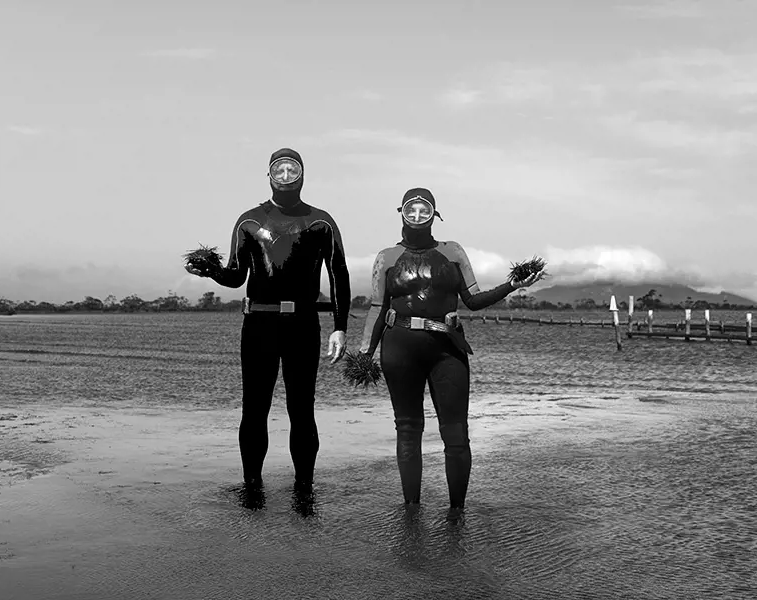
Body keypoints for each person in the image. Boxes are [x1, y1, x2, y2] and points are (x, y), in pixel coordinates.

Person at [358, 187, 543, 519]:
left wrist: (512, 285)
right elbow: (376, 307)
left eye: (424, 209)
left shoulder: (453, 252)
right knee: (408, 428)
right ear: (401, 212)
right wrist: (363, 354)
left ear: (434, 214)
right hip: (399, 348)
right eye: (411, 209)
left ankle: (457, 514)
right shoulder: (386, 258)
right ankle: (410, 512)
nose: (417, 215)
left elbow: (473, 300)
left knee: (456, 434)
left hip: (447, 349)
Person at [186, 148, 351, 507]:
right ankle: (252, 487)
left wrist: (340, 327)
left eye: (294, 168)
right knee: (254, 407)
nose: (287, 173)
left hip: (304, 324)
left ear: (303, 175)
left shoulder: (321, 222)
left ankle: (304, 490)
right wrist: (210, 270)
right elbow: (236, 275)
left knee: (302, 409)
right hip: (259, 322)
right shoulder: (249, 221)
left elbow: (338, 274)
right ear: (270, 175)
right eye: (281, 168)